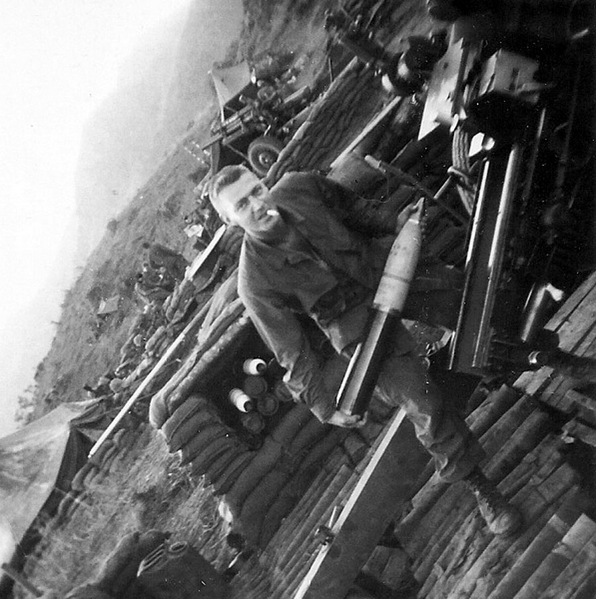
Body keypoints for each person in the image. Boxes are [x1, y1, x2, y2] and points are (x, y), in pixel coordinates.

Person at [207, 164, 521, 536]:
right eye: (242, 205)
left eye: (257, 190)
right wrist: (324, 407)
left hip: (389, 268)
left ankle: (550, 358)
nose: (258, 204)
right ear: (230, 221)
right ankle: (480, 485)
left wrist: (394, 223)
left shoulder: (299, 187)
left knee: (480, 309)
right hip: (356, 324)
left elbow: (355, 210)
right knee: (421, 402)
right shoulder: (254, 282)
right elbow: (290, 350)